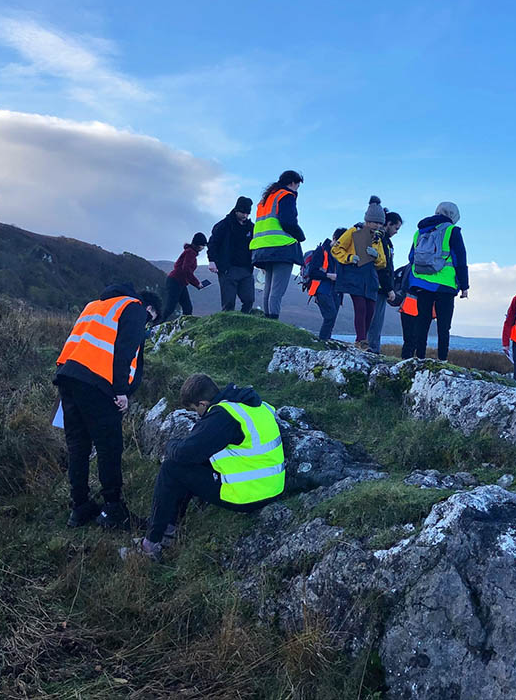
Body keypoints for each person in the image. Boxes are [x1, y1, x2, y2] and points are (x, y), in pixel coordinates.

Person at [132, 373, 284, 561]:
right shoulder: (252, 406)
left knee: (172, 468)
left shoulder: (223, 416)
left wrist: (170, 444)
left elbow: (186, 453)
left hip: (250, 495)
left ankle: (152, 543)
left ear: (203, 403)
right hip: (273, 487)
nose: (198, 415)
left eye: (196, 409)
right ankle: (168, 529)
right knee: (190, 465)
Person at [54, 284, 161, 529]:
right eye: (150, 321)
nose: (146, 325)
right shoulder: (134, 308)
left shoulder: (96, 305)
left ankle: (79, 507)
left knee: (78, 446)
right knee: (109, 447)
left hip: (67, 377)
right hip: (97, 384)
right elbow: (125, 351)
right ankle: (113, 510)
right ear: (150, 309)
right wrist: (121, 391)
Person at [407, 201, 469, 361]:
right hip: (445, 284)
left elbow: (411, 257)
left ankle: (419, 357)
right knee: (443, 325)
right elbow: (460, 259)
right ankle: (442, 359)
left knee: (422, 322)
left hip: (421, 282)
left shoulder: (419, 231)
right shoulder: (452, 231)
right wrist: (464, 286)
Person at [331, 197, 388, 350]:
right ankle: (361, 340)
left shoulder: (378, 238)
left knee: (370, 309)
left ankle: (362, 340)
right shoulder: (353, 231)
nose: (377, 226)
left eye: (380, 223)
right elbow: (336, 249)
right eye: (375, 222)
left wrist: (376, 256)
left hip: (370, 278)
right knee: (361, 307)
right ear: (368, 220)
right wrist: (349, 258)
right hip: (354, 275)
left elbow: (383, 263)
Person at [250, 170, 306, 319]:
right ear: (293, 183)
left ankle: (268, 319)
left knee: (268, 288)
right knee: (277, 290)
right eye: (297, 186)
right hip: (282, 247)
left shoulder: (266, 200)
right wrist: (300, 236)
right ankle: (273, 320)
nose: (297, 189)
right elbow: (288, 221)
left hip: (262, 249)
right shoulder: (286, 196)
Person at [207, 196, 255, 313]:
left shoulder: (251, 227)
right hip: (227, 269)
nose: (245, 216)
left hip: (246, 270)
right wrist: (212, 260)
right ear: (236, 210)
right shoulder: (223, 226)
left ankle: (243, 322)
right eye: (243, 212)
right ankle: (227, 325)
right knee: (228, 303)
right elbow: (213, 243)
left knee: (249, 299)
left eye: (247, 213)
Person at [366, 208, 403, 354]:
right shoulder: (381, 240)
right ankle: (373, 349)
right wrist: (389, 289)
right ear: (388, 223)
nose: (396, 232)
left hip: (373, 284)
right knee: (376, 320)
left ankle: (370, 346)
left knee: (371, 317)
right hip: (378, 286)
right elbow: (382, 267)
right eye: (396, 228)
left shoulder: (382, 240)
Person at [307, 227, 347, 340]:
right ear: (334, 238)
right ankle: (323, 341)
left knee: (332, 318)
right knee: (330, 316)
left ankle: (325, 340)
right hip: (321, 289)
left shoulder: (340, 254)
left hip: (336, 291)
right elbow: (312, 272)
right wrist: (329, 276)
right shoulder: (321, 250)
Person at [162, 233, 209, 320]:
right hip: (176, 281)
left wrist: (196, 283)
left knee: (187, 307)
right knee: (171, 307)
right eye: (203, 245)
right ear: (199, 245)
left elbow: (185, 270)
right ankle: (158, 323)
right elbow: (186, 270)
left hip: (180, 282)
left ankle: (183, 325)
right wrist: (197, 284)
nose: (203, 248)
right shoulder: (190, 253)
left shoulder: (190, 252)